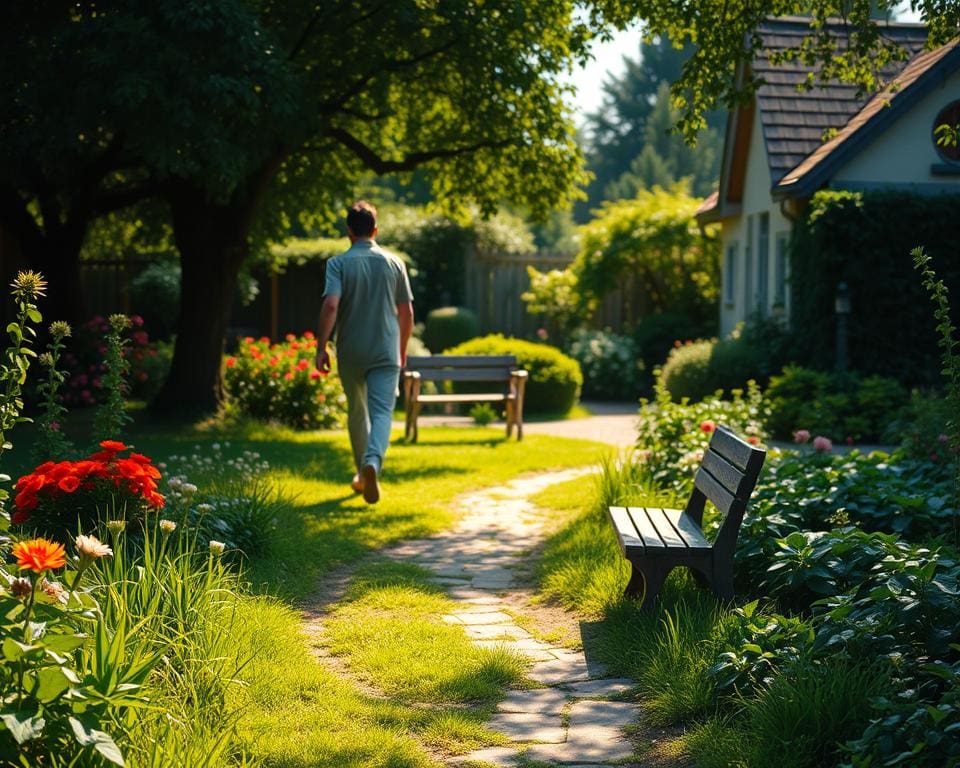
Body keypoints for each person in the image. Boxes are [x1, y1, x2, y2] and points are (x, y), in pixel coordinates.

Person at [316, 201, 414, 504]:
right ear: (375, 230)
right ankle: (373, 462)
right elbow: (406, 313)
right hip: (385, 350)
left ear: (349, 231)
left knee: (357, 412)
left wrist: (321, 346)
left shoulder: (338, 264)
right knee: (383, 411)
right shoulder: (394, 262)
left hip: (351, 350)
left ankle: (361, 473)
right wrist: (401, 351)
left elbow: (331, 305)